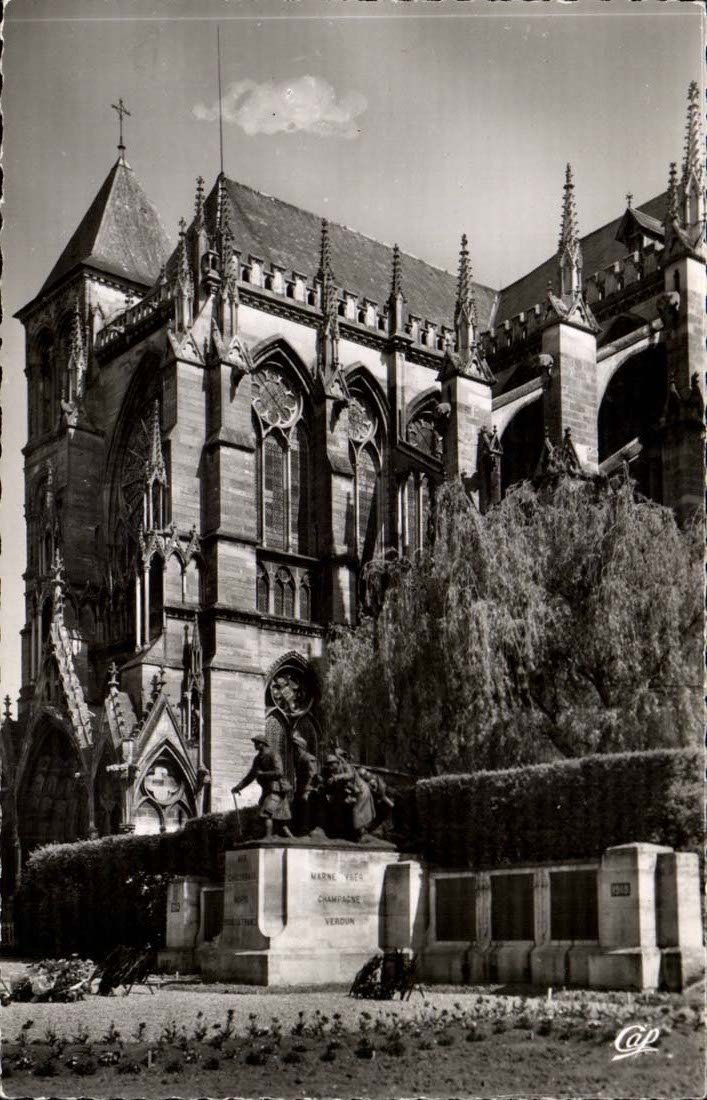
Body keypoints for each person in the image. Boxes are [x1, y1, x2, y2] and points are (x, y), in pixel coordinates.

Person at [231, 734, 292, 839]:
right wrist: (238, 787)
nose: (255, 745)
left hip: (276, 790)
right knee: (279, 819)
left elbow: (279, 772)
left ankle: (267, 837)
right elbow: (251, 776)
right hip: (267, 791)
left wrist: (262, 774)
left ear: (263, 743)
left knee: (265, 813)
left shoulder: (274, 755)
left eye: (256, 743)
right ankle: (290, 838)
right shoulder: (258, 758)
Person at [322, 750, 375, 841]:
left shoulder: (346, 767)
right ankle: (355, 834)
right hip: (355, 792)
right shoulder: (335, 772)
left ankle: (362, 835)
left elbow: (350, 775)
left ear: (337, 763)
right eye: (328, 764)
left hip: (361, 791)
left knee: (356, 811)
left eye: (331, 764)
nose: (330, 767)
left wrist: (336, 778)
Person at [291, 732, 319, 835]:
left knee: (306, 811)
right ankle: (299, 831)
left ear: (300, 747)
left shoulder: (309, 758)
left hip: (307, 790)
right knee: (298, 810)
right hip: (299, 789)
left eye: (295, 747)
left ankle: (306, 831)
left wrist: (307, 791)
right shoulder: (300, 759)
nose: (294, 750)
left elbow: (312, 775)